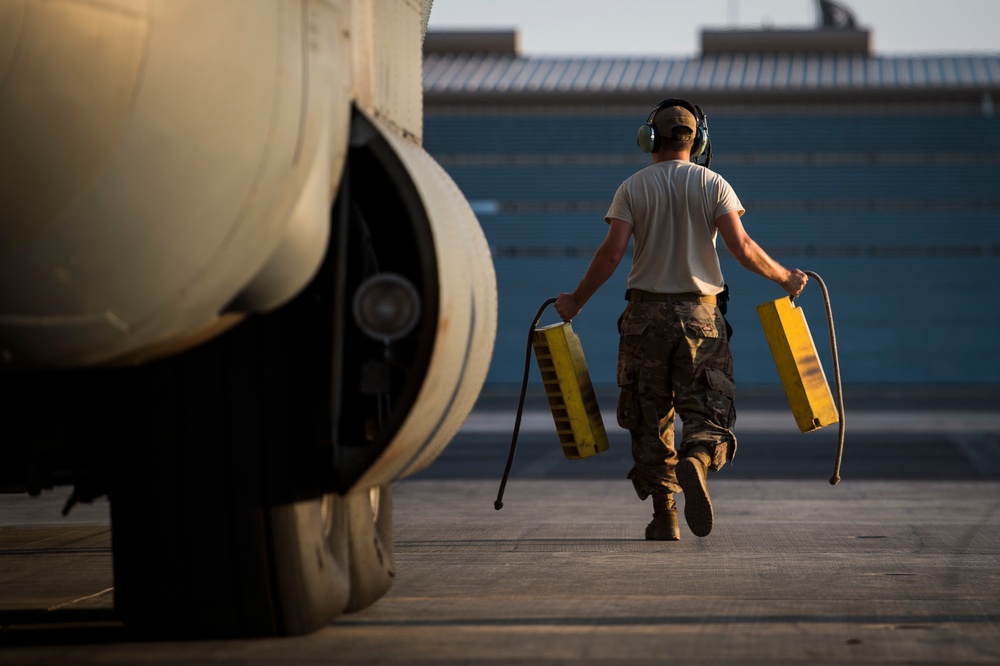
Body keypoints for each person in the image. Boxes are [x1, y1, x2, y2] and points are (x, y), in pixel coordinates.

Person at [554, 98, 808, 541]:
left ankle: (664, 514)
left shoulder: (632, 187)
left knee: (650, 416)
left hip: (644, 318)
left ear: (648, 138)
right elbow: (742, 248)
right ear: (700, 140)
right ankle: (699, 457)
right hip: (701, 317)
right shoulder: (714, 184)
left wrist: (576, 300)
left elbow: (612, 253)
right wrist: (785, 277)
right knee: (707, 407)